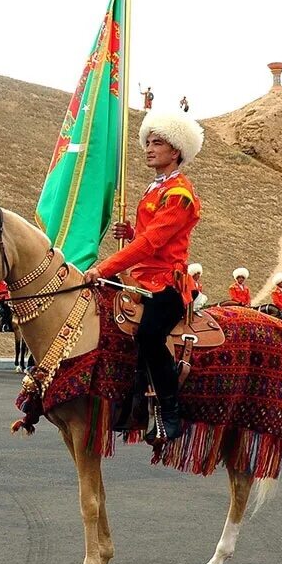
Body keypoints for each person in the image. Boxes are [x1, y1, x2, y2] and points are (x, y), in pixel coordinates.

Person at [83, 111, 204, 441]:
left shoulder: (180, 194)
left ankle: (170, 409)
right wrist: (133, 231)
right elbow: (149, 235)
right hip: (141, 280)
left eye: (158, 143)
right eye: (147, 142)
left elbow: (154, 242)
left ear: (176, 150)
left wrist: (104, 268)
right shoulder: (155, 189)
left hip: (167, 283)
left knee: (150, 336)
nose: (149, 148)